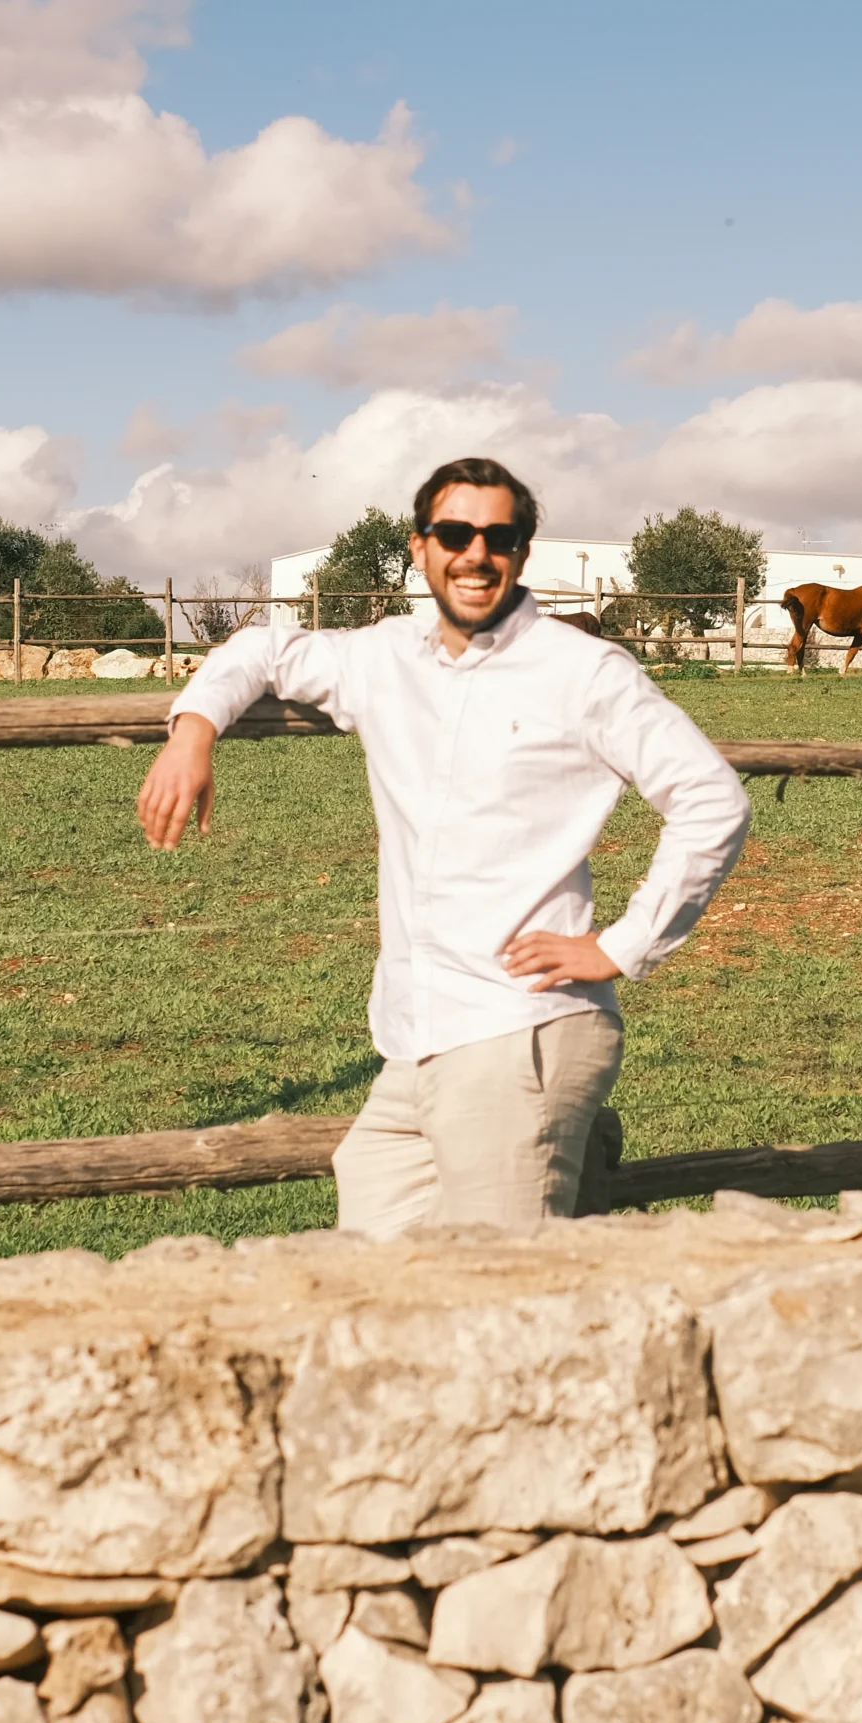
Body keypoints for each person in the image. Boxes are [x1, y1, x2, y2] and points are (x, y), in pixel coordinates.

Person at [136, 455, 750, 1234]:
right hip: (413, 1041)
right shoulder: (383, 658)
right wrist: (192, 732)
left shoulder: (585, 672)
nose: (476, 553)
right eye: (454, 532)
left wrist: (623, 946)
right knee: (382, 1284)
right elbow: (263, 648)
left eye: (500, 536)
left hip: (516, 1034)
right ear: (420, 547)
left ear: (522, 552)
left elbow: (711, 800)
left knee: (499, 1305)